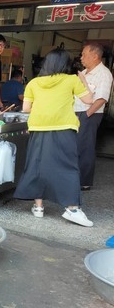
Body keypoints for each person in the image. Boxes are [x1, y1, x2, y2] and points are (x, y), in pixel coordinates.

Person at [13, 48, 94, 227]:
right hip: (64, 128)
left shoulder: (34, 83)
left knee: (37, 165)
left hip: (38, 127)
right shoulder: (71, 80)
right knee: (67, 166)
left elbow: (26, 109)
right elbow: (89, 100)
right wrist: (84, 80)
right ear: (65, 64)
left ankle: (39, 207)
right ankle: (72, 208)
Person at [73, 43, 113, 191]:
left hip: (90, 114)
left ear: (95, 56)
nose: (81, 57)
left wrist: (86, 115)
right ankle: (75, 177)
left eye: (84, 54)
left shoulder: (103, 73)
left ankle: (84, 181)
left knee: (85, 147)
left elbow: (102, 98)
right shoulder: (85, 72)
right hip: (78, 113)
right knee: (77, 146)